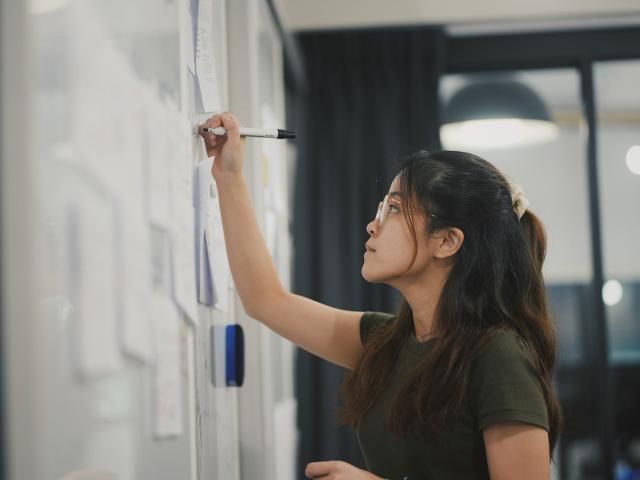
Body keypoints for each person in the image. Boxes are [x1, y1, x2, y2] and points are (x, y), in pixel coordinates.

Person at [199, 112, 563, 480]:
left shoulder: (500, 355)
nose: (373, 225)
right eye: (380, 208)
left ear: (447, 241)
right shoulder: (386, 342)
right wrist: (228, 177)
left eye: (393, 209)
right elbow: (266, 300)